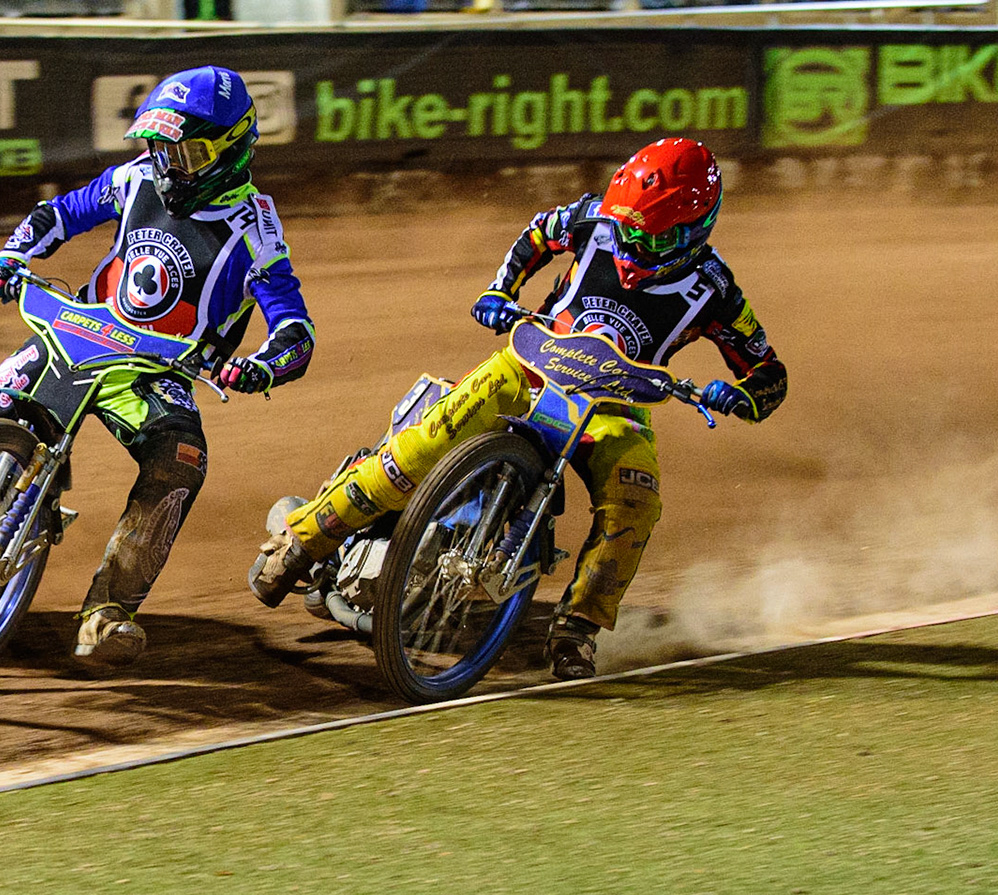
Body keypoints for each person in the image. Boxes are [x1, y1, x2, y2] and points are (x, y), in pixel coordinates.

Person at [0, 66, 316, 667]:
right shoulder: (135, 178)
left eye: (189, 152)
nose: (169, 165)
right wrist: (12, 252)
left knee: (180, 460)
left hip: (157, 371)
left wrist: (260, 367)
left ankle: (107, 612)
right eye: (162, 148)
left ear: (230, 151)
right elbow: (62, 212)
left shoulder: (255, 227)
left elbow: (293, 326)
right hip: (77, 330)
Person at [250, 139, 787, 681]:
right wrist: (500, 288)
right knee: (423, 443)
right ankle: (301, 540)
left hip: (615, 410)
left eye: (653, 237)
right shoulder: (594, 218)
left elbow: (769, 374)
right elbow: (538, 234)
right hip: (527, 365)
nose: (631, 245)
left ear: (696, 230)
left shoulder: (716, 291)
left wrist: (739, 395)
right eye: (626, 230)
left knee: (636, 499)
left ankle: (578, 631)